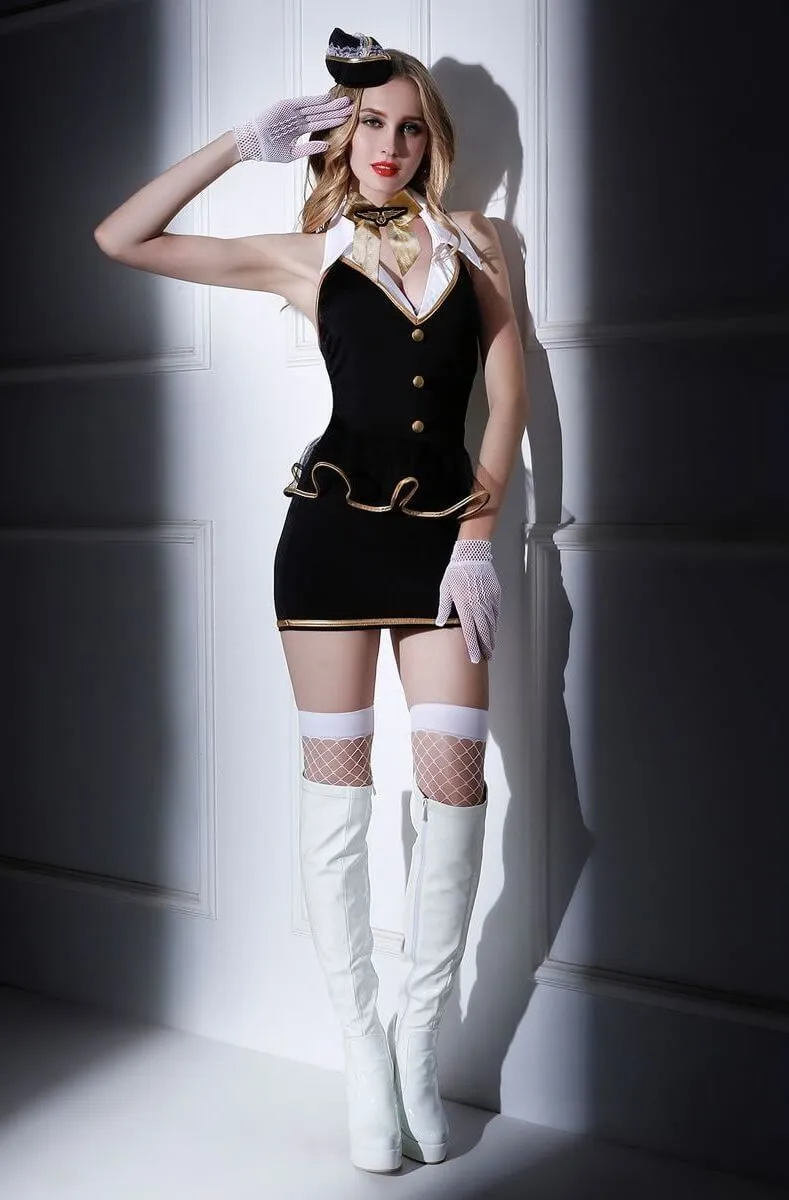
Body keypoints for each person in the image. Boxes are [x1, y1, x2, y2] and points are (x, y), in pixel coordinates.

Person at [95, 27, 528, 1174]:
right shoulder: (310, 255)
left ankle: (418, 1043)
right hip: (328, 546)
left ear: (433, 141)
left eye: (410, 127)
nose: (390, 144)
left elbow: (510, 394)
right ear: (342, 134)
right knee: (337, 793)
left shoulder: (480, 241)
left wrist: (478, 539)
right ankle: (365, 1059)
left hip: (444, 550)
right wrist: (242, 143)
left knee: (457, 786)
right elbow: (120, 237)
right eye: (370, 122)